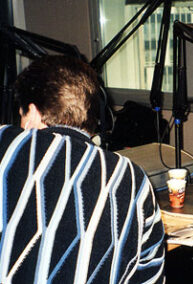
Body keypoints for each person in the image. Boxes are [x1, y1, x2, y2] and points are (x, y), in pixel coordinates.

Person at [0, 55, 165, 283]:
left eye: (21, 117)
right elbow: (150, 276)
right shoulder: (133, 179)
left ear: (33, 113)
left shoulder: (7, 143)